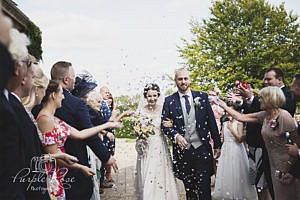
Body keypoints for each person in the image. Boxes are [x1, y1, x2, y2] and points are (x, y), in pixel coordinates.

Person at [36, 80, 122, 199]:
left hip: (63, 172)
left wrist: (107, 125)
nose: (63, 97)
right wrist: (80, 167)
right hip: (53, 176)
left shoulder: (54, 118)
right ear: (53, 95)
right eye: (61, 93)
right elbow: (55, 156)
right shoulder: (45, 119)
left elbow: (81, 134)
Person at [213, 86, 300, 200]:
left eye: (261, 98)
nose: (259, 100)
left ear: (270, 99)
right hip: (272, 162)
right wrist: (222, 104)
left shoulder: (284, 116)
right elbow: (241, 117)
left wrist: (288, 165)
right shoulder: (265, 115)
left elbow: (297, 142)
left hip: (286, 164)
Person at [235, 67, 296, 199]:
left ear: (279, 80)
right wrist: (242, 102)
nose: (265, 81)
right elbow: (249, 114)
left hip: (285, 157)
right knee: (272, 187)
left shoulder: (288, 95)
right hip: (268, 152)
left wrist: (252, 97)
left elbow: (295, 136)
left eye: (269, 79)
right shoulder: (264, 110)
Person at [161, 68, 222, 200]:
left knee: (205, 186)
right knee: (190, 188)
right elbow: (165, 126)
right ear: (175, 81)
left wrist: (218, 145)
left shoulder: (202, 97)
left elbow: (211, 122)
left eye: (185, 78)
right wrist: (176, 136)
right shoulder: (169, 101)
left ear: (190, 79)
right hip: (183, 151)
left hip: (202, 149)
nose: (183, 81)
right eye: (180, 79)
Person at [135, 83, 179, 200]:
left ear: (158, 96)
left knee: (160, 172)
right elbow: (136, 129)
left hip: (159, 145)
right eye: (149, 96)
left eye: (155, 95)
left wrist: (171, 124)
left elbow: (168, 125)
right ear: (145, 97)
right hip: (146, 146)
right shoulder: (140, 112)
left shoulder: (163, 109)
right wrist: (139, 133)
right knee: (147, 172)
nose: (152, 98)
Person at [212, 108, 258, 200]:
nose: (229, 115)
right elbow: (223, 138)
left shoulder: (239, 122)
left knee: (237, 170)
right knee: (227, 170)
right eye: (227, 113)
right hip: (226, 149)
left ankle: (238, 192)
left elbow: (240, 139)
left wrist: (231, 129)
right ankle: (228, 192)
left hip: (236, 149)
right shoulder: (224, 123)